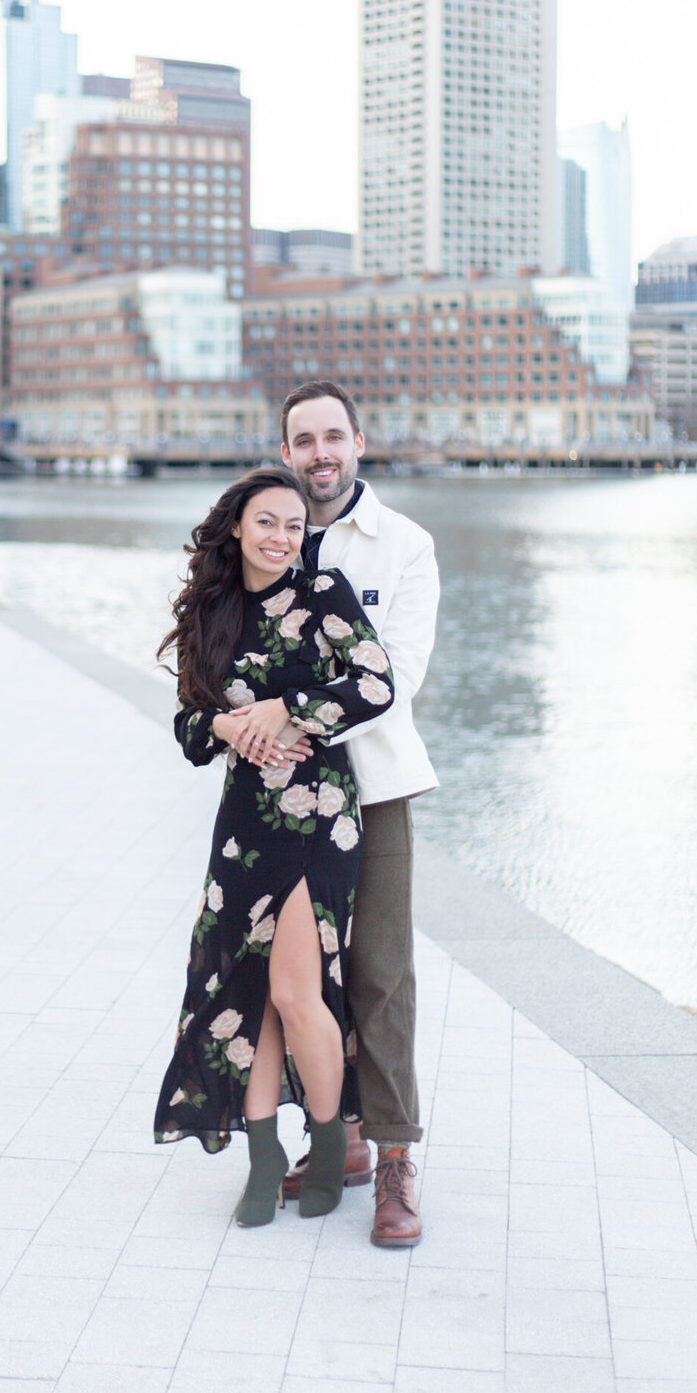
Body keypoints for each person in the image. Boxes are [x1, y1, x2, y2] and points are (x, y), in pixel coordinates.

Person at [153, 466, 395, 1229]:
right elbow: (190, 726)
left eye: (294, 526)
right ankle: (262, 1158)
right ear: (237, 525)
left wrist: (288, 709)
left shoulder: (323, 594)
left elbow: (376, 684)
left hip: (319, 813)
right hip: (245, 824)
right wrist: (229, 725)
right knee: (249, 993)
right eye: (267, 522)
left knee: (295, 992)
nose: (282, 537)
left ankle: (329, 1148)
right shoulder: (211, 611)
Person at [276, 379, 439, 1250]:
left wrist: (291, 719)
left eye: (333, 437)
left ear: (359, 443)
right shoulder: (266, 534)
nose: (321, 454)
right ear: (287, 451)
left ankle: (396, 1158)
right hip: (281, 800)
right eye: (304, 441)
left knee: (380, 973)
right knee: (301, 981)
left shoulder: (404, 546)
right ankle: (334, 1137)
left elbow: (396, 679)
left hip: (372, 788)